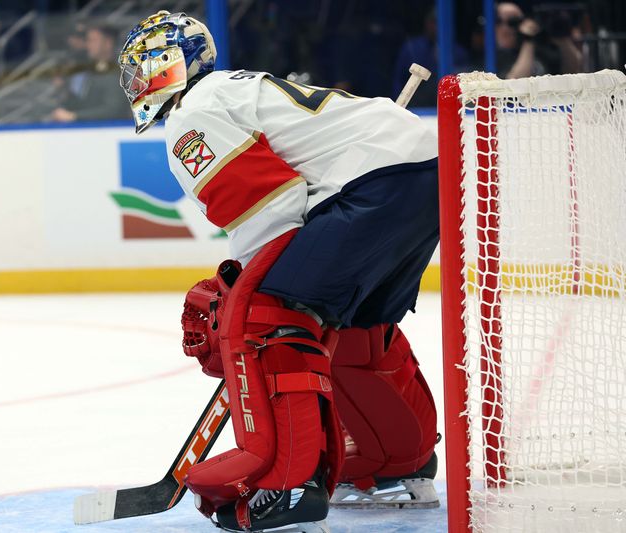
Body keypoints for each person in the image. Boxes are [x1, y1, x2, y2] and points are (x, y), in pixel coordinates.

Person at [117, 11, 439, 533]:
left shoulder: (191, 115)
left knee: (267, 316)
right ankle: (399, 461)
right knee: (357, 326)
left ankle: (292, 482)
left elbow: (271, 208)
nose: (133, 83)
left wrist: (239, 288)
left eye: (140, 68)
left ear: (171, 63)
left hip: (370, 183)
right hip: (421, 173)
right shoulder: (227, 91)